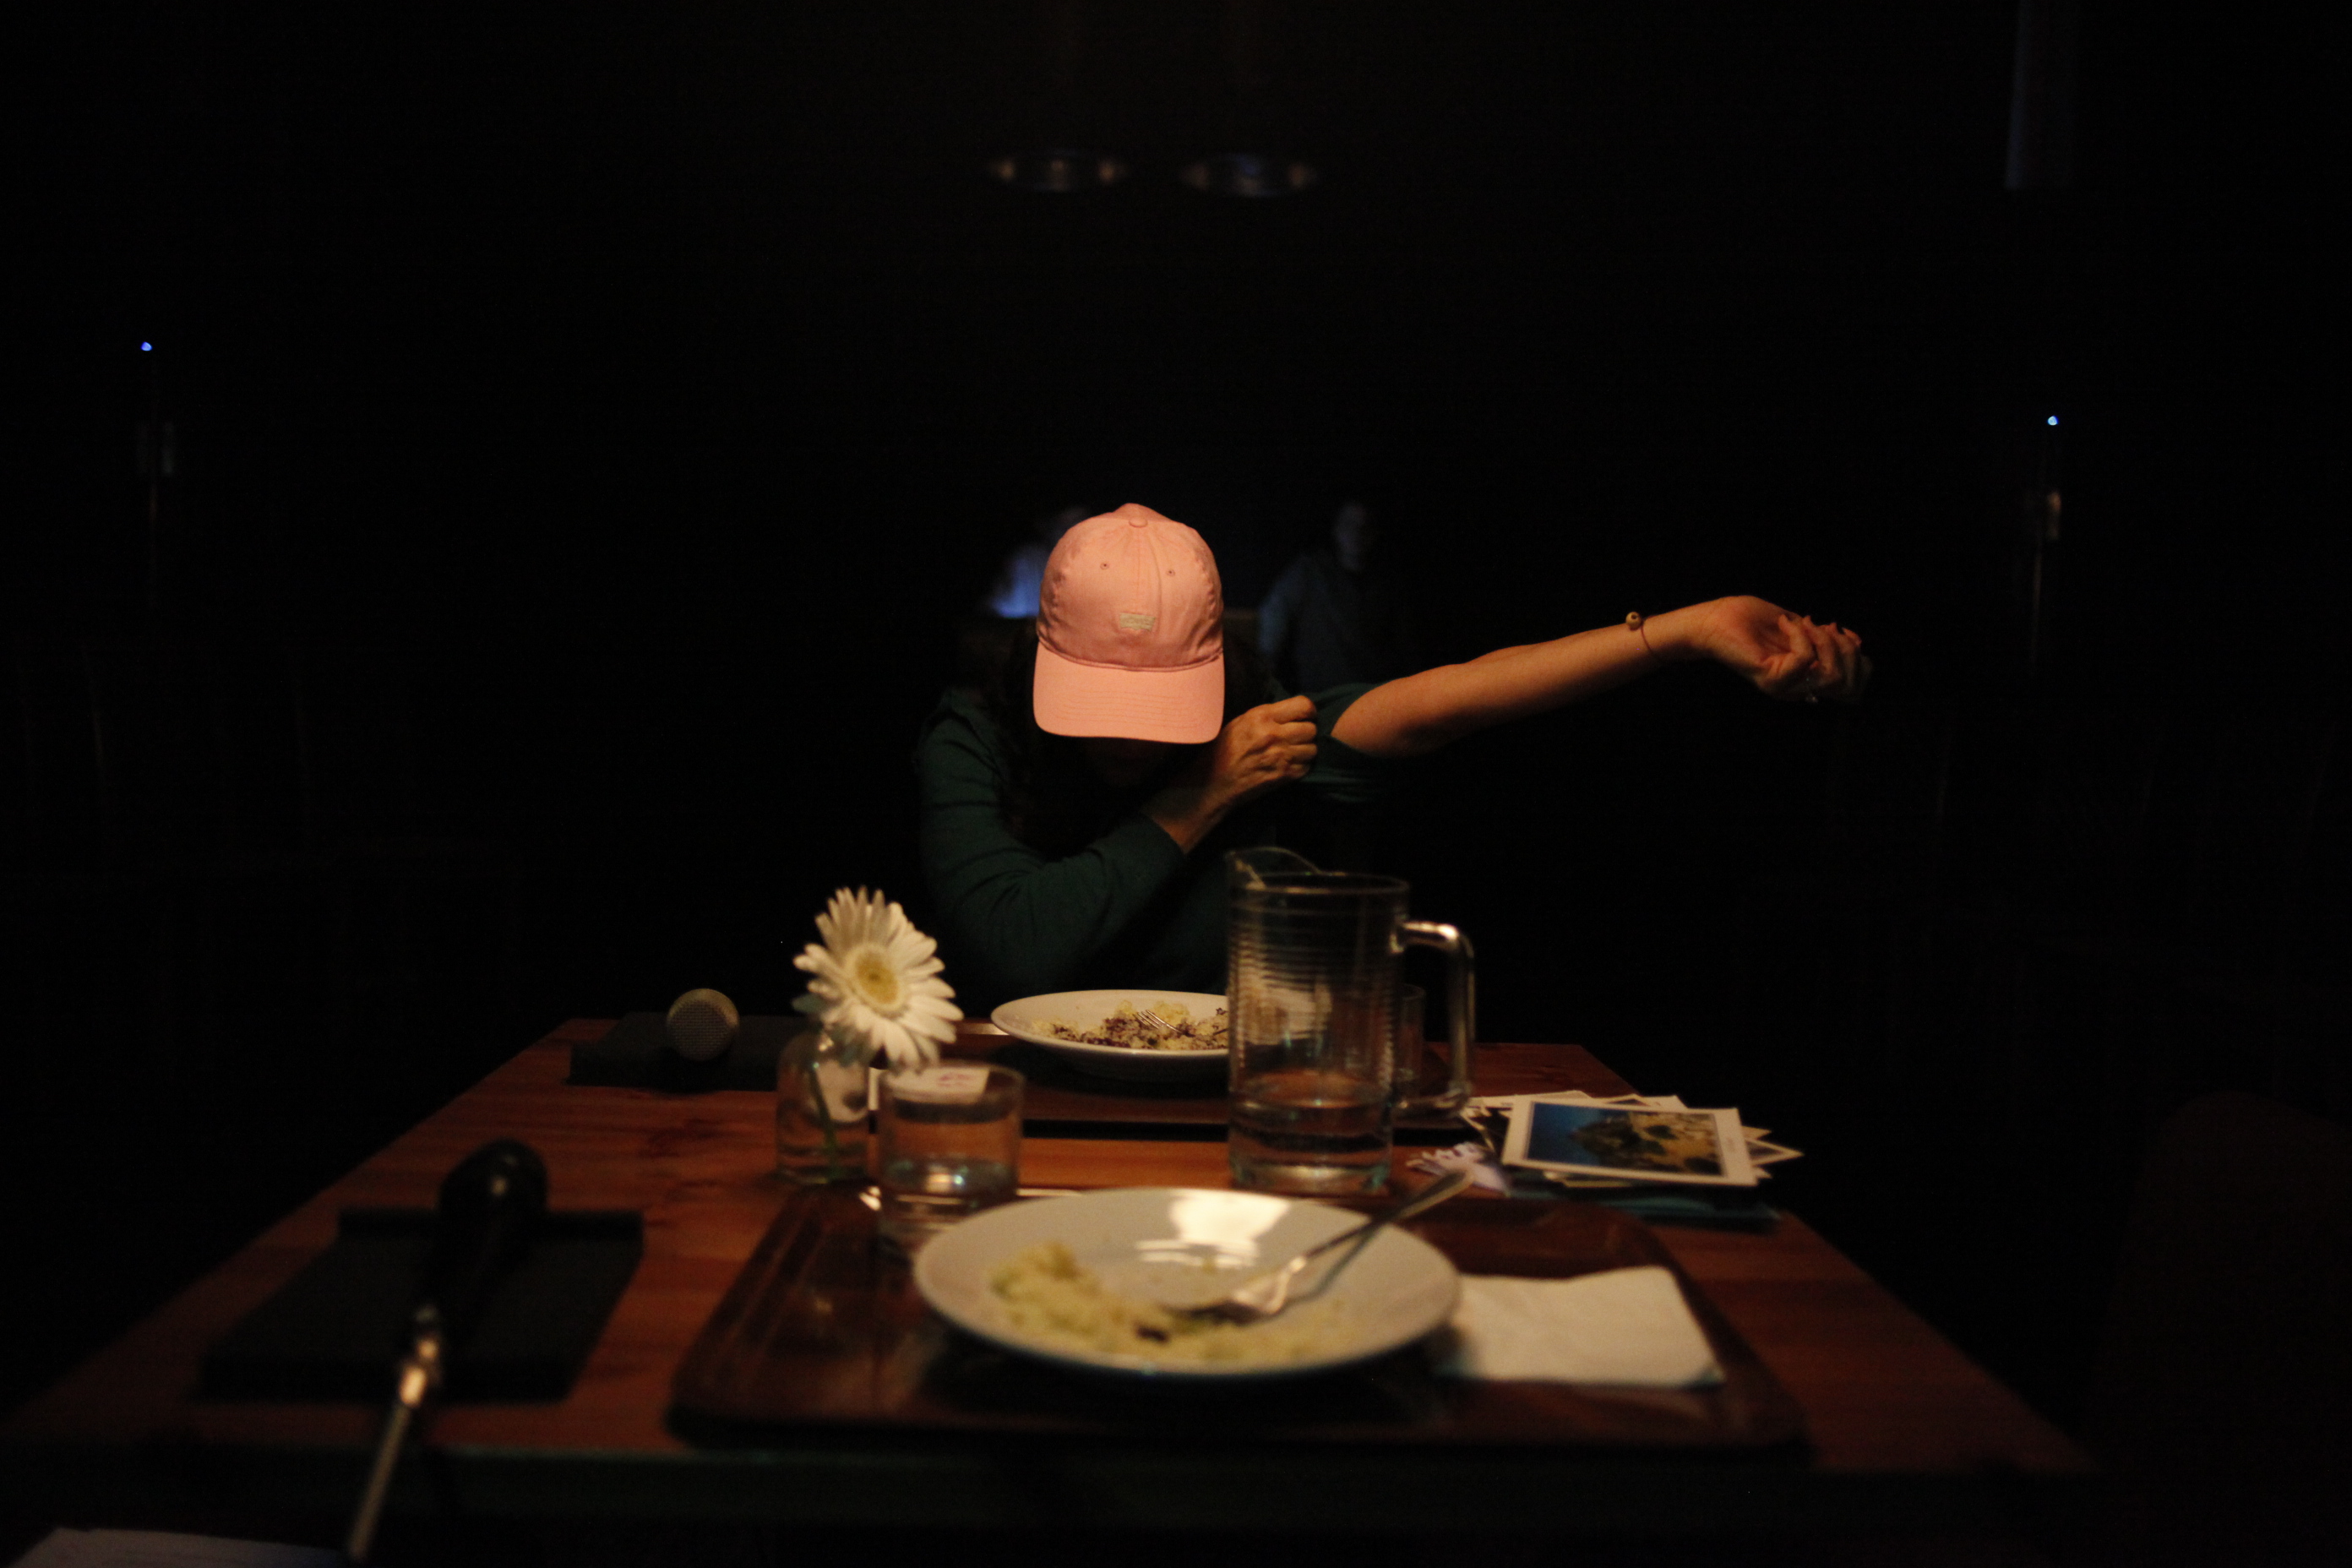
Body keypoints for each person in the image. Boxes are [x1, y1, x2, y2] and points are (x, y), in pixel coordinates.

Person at [915, 503, 1865, 1008]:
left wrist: (1684, 631)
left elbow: (1451, 697)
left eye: (1157, 704)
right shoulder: (976, 737)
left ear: (1214, 670)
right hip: (1029, 1113)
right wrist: (1198, 795)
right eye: (1101, 701)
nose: (1128, 734)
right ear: (1042, 660)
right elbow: (1015, 949)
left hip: (1226, 1114)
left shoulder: (1260, 730)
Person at [1256, 499, 1419, 691]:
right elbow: (1274, 619)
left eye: (1366, 526)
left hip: (1377, 693)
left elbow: (1407, 644)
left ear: (1376, 532)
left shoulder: (1389, 583)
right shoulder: (1308, 574)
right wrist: (1263, 666)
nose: (1357, 533)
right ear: (1336, 528)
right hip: (1324, 695)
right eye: (1349, 524)